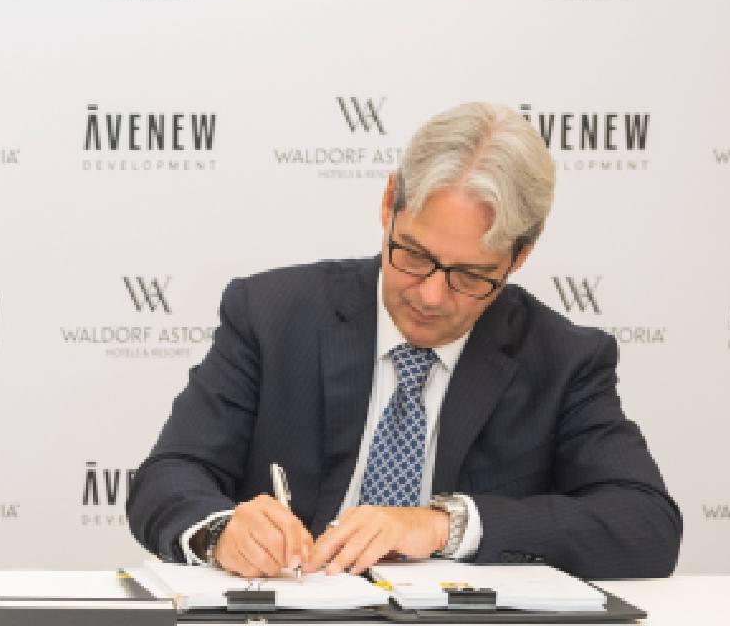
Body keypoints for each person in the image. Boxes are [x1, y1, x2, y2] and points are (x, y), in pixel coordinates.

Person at [128, 102, 679, 581]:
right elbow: (168, 476)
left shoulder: (563, 360)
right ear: (391, 202)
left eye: (470, 276)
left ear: (520, 257)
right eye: (414, 255)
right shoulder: (272, 315)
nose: (433, 296)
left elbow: (646, 523)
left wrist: (443, 526)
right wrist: (222, 532)